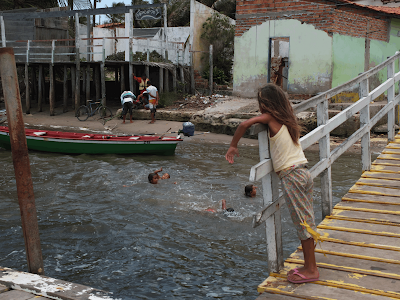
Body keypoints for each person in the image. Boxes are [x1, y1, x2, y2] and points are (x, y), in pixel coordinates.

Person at [225, 83, 319, 284]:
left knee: (303, 224)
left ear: (266, 105)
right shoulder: (287, 119)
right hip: (303, 173)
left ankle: (312, 269)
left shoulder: (270, 118)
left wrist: (233, 146)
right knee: (306, 221)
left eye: (261, 103)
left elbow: (244, 124)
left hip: (292, 176)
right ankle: (309, 265)